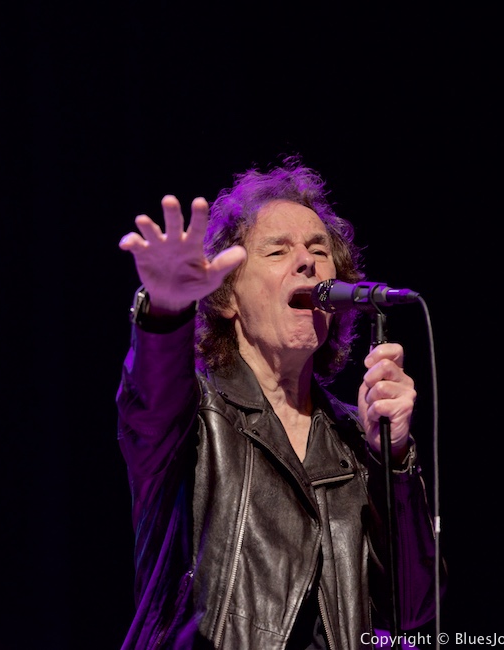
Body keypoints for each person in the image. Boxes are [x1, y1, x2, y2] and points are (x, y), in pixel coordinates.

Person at [116, 155, 444, 649]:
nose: (308, 261)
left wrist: (393, 461)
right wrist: (166, 310)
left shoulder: (356, 440)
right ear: (227, 298)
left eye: (319, 249)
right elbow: (152, 395)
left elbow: (416, 615)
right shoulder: (193, 416)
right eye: (277, 251)